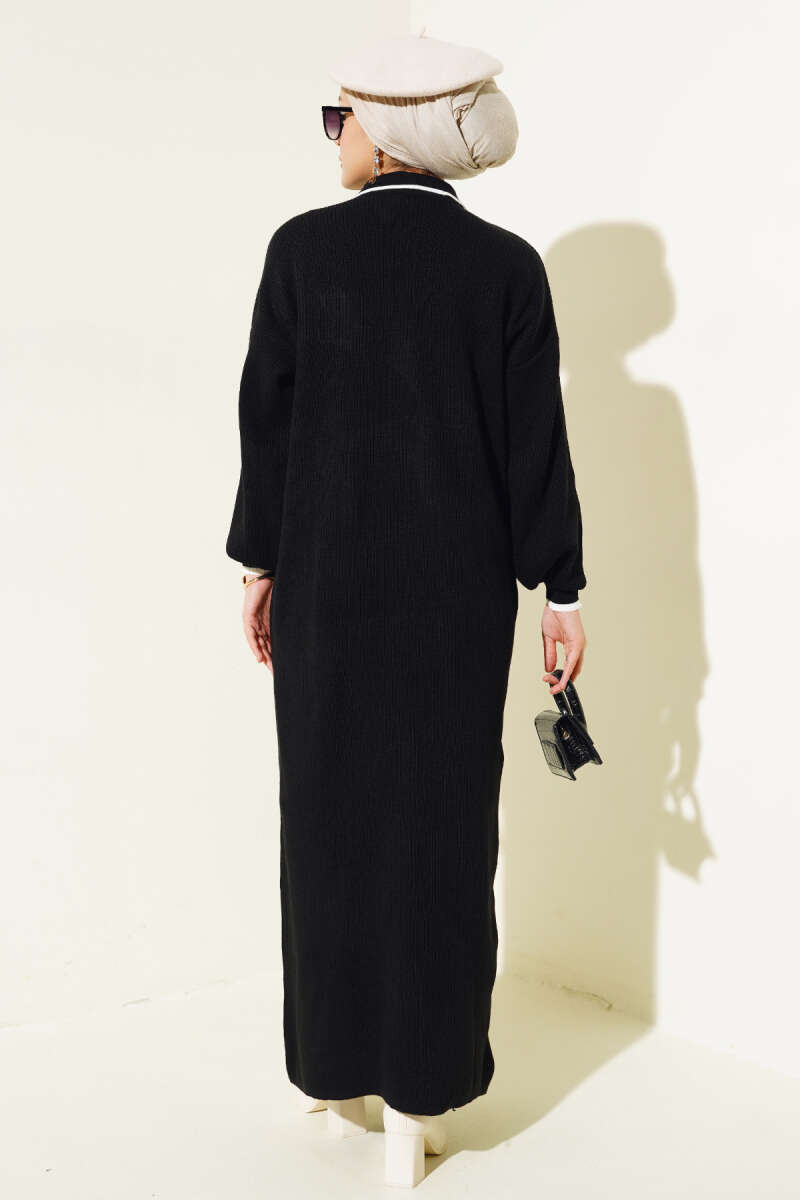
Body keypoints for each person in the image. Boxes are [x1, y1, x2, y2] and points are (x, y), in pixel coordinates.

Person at [225, 31, 587, 1188]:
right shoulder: (505, 270)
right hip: (455, 607)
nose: (330, 137)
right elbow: (534, 449)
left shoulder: (301, 253)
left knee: (327, 824)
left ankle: (330, 1068)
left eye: (336, 117)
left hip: (326, 595)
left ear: (382, 129)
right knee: (438, 834)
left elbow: (267, 427)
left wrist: (259, 566)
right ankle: (418, 1095)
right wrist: (560, 591)